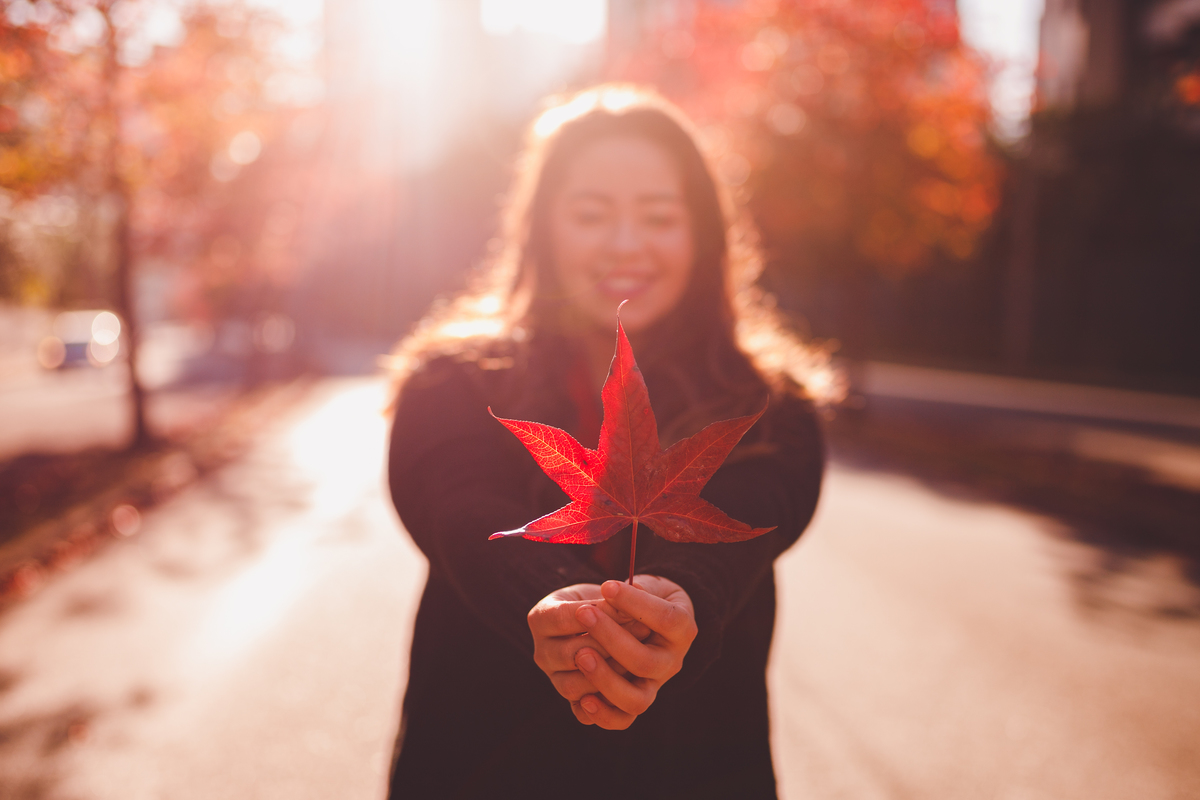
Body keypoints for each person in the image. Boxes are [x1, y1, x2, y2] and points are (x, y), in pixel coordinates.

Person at [386, 85, 827, 800]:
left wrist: (683, 595)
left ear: (703, 234)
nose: (626, 244)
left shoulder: (772, 405)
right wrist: (554, 604)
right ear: (542, 228)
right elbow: (458, 504)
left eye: (659, 216)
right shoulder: (453, 383)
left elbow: (756, 508)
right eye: (591, 214)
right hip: (481, 772)